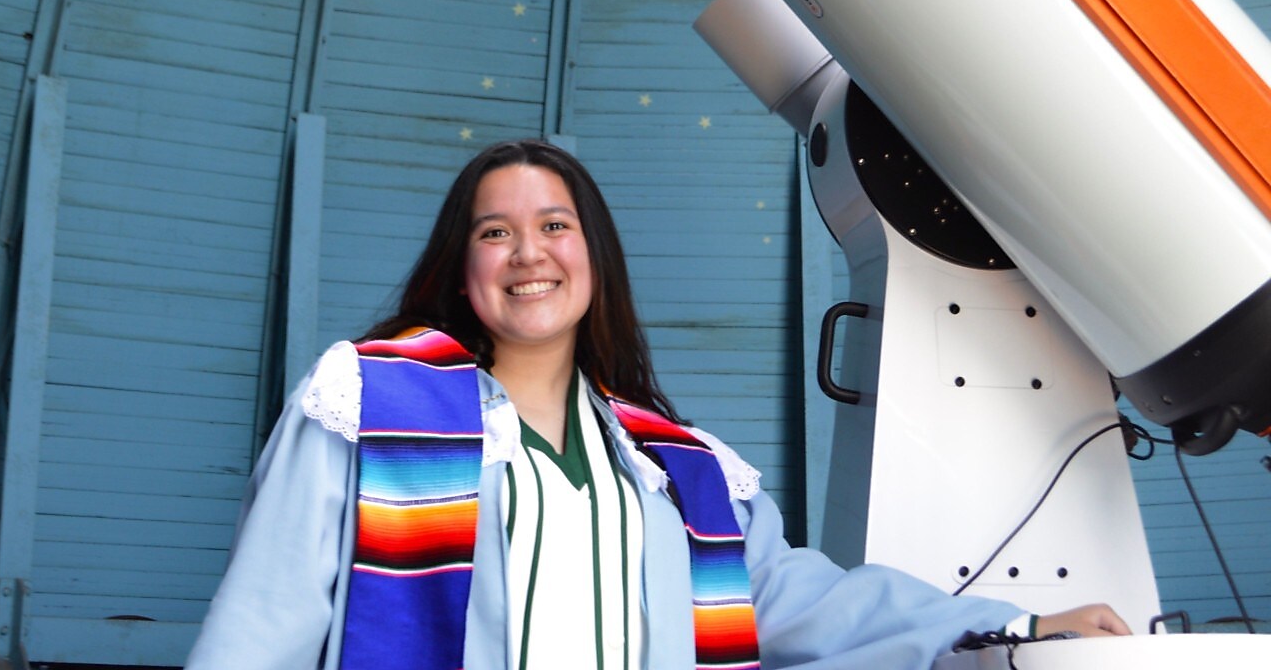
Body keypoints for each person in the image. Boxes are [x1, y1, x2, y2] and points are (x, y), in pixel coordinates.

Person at [185, 139, 1129, 669]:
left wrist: (1021, 625)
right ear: (459, 264)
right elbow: (259, 625)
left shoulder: (675, 467)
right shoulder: (369, 408)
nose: (528, 253)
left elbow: (807, 601)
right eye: (495, 231)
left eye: (555, 226)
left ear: (594, 257)